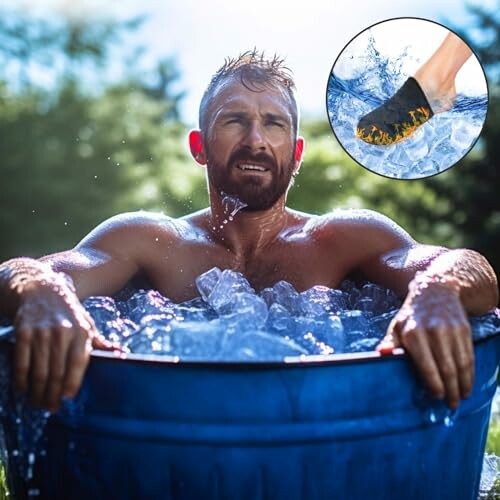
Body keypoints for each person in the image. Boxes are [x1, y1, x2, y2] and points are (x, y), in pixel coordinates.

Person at [0, 50, 497, 414]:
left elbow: (469, 268)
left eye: (274, 124)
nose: (256, 140)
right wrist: (42, 290)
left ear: (296, 154)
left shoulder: (344, 237)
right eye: (234, 121)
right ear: (200, 146)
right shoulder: (151, 240)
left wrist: (436, 292)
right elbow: (25, 272)